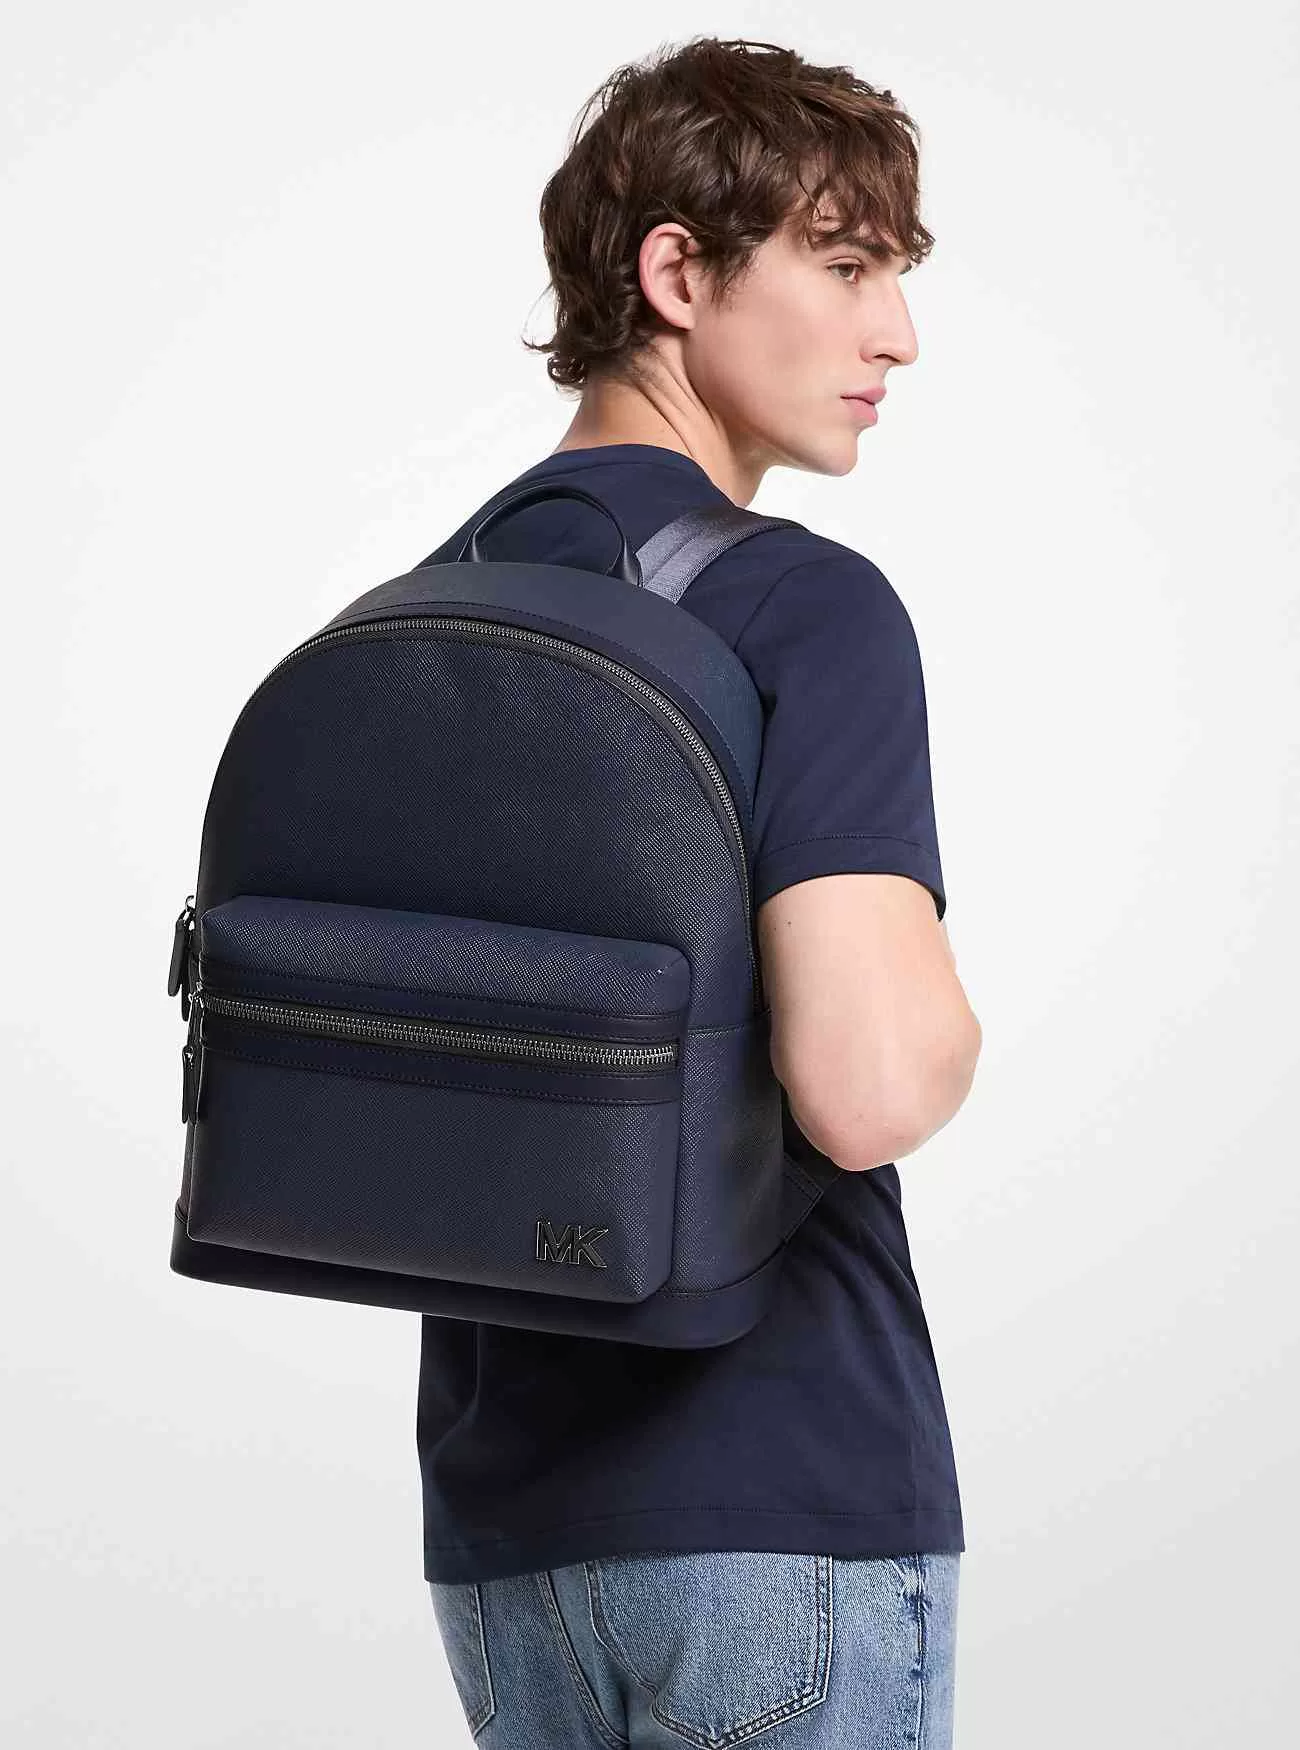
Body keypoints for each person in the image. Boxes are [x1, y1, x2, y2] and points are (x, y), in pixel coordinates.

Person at [418, 36, 982, 1748]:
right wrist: (946, 1019)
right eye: (847, 265)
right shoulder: (802, 609)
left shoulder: (429, 613)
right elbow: (864, 1084)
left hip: (507, 1535)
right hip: (781, 1485)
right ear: (678, 274)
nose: (898, 333)